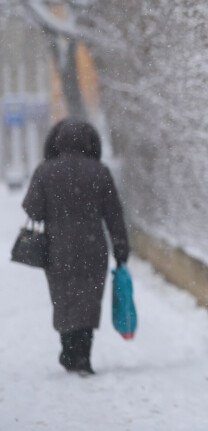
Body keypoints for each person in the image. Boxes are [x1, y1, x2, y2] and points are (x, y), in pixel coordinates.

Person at [22, 118, 129, 375]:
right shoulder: (99, 171)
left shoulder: (45, 171)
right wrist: (121, 248)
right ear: (90, 141)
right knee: (89, 300)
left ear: (56, 142)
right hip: (94, 248)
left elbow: (32, 209)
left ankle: (68, 350)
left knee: (64, 299)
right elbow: (114, 214)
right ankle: (83, 356)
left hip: (58, 248)